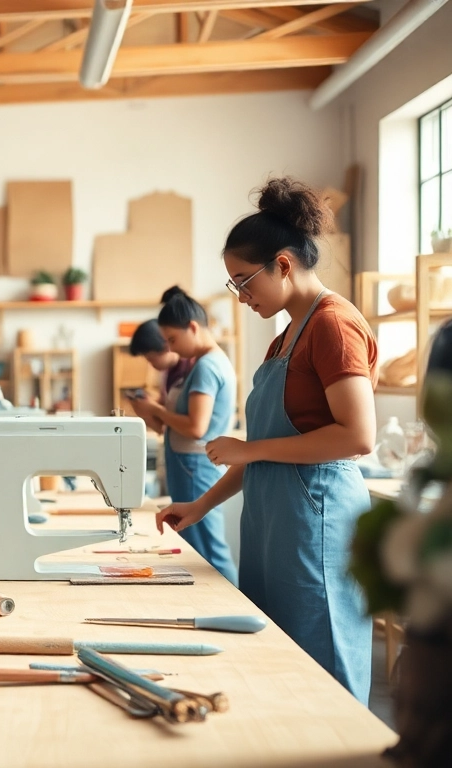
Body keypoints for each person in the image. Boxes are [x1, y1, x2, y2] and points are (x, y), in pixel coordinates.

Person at [158, 178, 377, 703]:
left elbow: (357, 436)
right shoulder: (286, 336)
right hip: (274, 522)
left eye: (243, 280)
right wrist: (201, 505)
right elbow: (264, 447)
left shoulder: (334, 325)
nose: (241, 294)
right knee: (279, 665)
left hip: (315, 522)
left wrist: (249, 450)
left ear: (283, 263)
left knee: (325, 669)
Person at [128, 288, 238, 585]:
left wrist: (155, 409)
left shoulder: (206, 367)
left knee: (208, 553)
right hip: (190, 465)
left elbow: (195, 427)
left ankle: (234, 610)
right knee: (198, 548)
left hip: (196, 466)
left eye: (173, 340)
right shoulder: (204, 365)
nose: (172, 348)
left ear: (193, 327)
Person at [127, 319, 194, 402]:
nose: (150, 365)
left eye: (152, 359)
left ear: (167, 347)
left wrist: (155, 409)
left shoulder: (190, 370)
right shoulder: (168, 371)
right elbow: (167, 402)